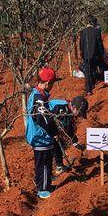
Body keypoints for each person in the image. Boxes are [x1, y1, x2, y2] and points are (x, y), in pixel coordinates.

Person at [24, 66, 61, 199]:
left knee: (46, 162)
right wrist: (53, 130)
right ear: (47, 83)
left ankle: (47, 183)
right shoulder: (39, 98)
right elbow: (42, 119)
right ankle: (42, 188)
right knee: (43, 163)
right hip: (40, 136)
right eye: (51, 84)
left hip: (42, 135)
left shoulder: (38, 94)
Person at [48, 96, 87, 174]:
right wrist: (54, 133)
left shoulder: (69, 112)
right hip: (44, 129)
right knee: (51, 148)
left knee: (58, 145)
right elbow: (49, 121)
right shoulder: (60, 107)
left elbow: (68, 128)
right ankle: (50, 174)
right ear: (73, 107)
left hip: (53, 128)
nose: (78, 115)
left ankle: (59, 166)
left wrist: (75, 142)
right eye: (79, 112)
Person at [77, 16, 102, 95]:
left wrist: (82, 54)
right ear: (94, 23)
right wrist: (101, 53)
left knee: (88, 72)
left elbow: (81, 44)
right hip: (95, 55)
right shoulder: (96, 31)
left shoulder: (83, 32)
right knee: (94, 69)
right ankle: (93, 83)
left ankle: (88, 89)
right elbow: (99, 44)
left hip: (86, 55)